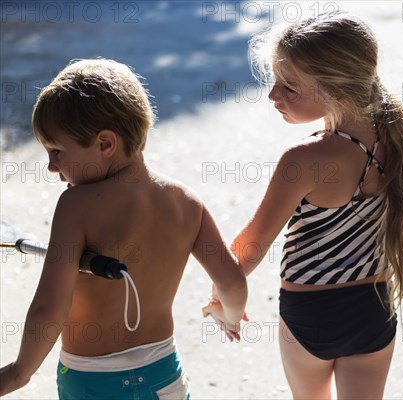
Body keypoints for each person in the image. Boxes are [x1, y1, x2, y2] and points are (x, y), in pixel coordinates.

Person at [208, 10, 403, 399]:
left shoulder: (303, 160)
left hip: (310, 315)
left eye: (289, 88)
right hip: (374, 311)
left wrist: (222, 301)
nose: (273, 95)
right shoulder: (396, 137)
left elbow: (250, 246)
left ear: (338, 95)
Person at [0, 59, 248, 399]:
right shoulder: (185, 201)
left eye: (57, 151)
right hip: (164, 377)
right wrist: (230, 315)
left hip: (92, 382)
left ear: (105, 144)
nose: (51, 166)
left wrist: (19, 373)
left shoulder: (77, 206)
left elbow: (50, 308)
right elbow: (232, 280)